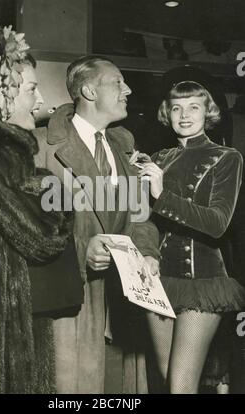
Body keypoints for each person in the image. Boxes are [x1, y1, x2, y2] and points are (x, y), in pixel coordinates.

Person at [0, 24, 83, 393]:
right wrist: (57, 192)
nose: (39, 101)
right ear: (2, 96)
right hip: (4, 328)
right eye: (31, 89)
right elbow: (44, 236)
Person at [33, 55, 160, 393]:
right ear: (89, 90)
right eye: (118, 82)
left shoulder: (124, 148)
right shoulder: (42, 146)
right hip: (71, 297)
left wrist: (148, 253)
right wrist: (80, 248)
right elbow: (34, 227)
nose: (128, 89)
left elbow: (139, 216)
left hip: (124, 298)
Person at [138, 80, 245, 393]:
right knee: (167, 376)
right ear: (167, 113)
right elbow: (142, 220)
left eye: (193, 107)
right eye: (176, 108)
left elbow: (217, 224)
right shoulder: (158, 158)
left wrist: (161, 195)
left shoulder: (227, 157)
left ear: (208, 111)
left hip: (203, 281)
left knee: (181, 384)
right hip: (158, 279)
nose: (184, 115)